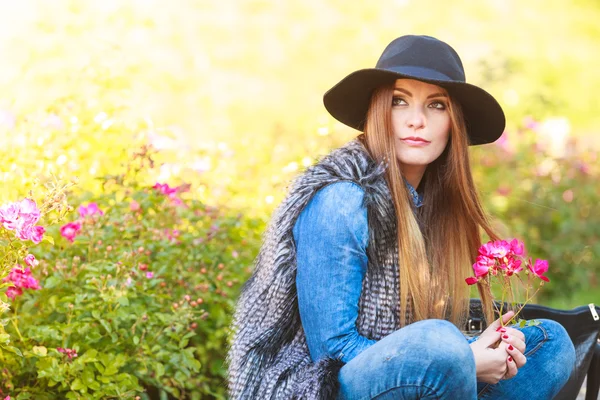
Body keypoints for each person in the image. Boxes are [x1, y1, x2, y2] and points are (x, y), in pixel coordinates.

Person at [226, 35, 576, 399]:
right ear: (379, 110)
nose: (416, 121)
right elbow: (330, 355)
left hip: (409, 371)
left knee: (549, 343)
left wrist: (479, 350)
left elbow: (415, 346)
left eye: (436, 105)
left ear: (454, 121)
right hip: (318, 388)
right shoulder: (342, 200)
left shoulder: (432, 205)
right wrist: (464, 360)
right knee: (440, 343)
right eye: (399, 102)